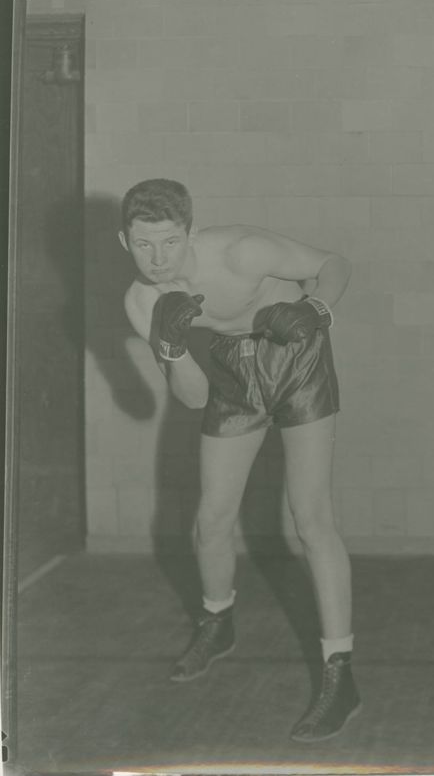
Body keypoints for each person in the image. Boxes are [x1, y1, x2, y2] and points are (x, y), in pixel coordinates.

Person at [119, 178, 358, 743]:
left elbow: (334, 263)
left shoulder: (241, 250)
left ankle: (341, 673)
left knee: (311, 519)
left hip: (296, 355)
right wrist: (174, 347)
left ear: (191, 232)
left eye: (170, 243)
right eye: (144, 244)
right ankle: (217, 621)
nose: (158, 259)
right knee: (212, 521)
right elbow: (195, 397)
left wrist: (317, 310)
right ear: (123, 241)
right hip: (230, 371)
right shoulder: (142, 302)